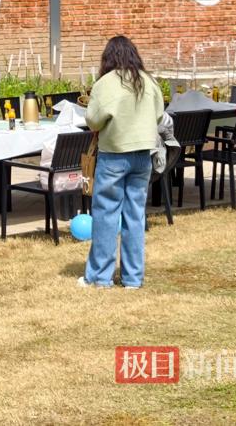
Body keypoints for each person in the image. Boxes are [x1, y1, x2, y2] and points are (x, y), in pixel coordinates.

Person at [80, 36, 162, 290]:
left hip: (114, 154)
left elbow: (93, 120)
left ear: (108, 58)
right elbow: (159, 115)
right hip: (143, 154)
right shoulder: (148, 81)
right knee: (135, 216)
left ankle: (99, 276)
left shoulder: (106, 83)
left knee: (106, 215)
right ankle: (133, 278)